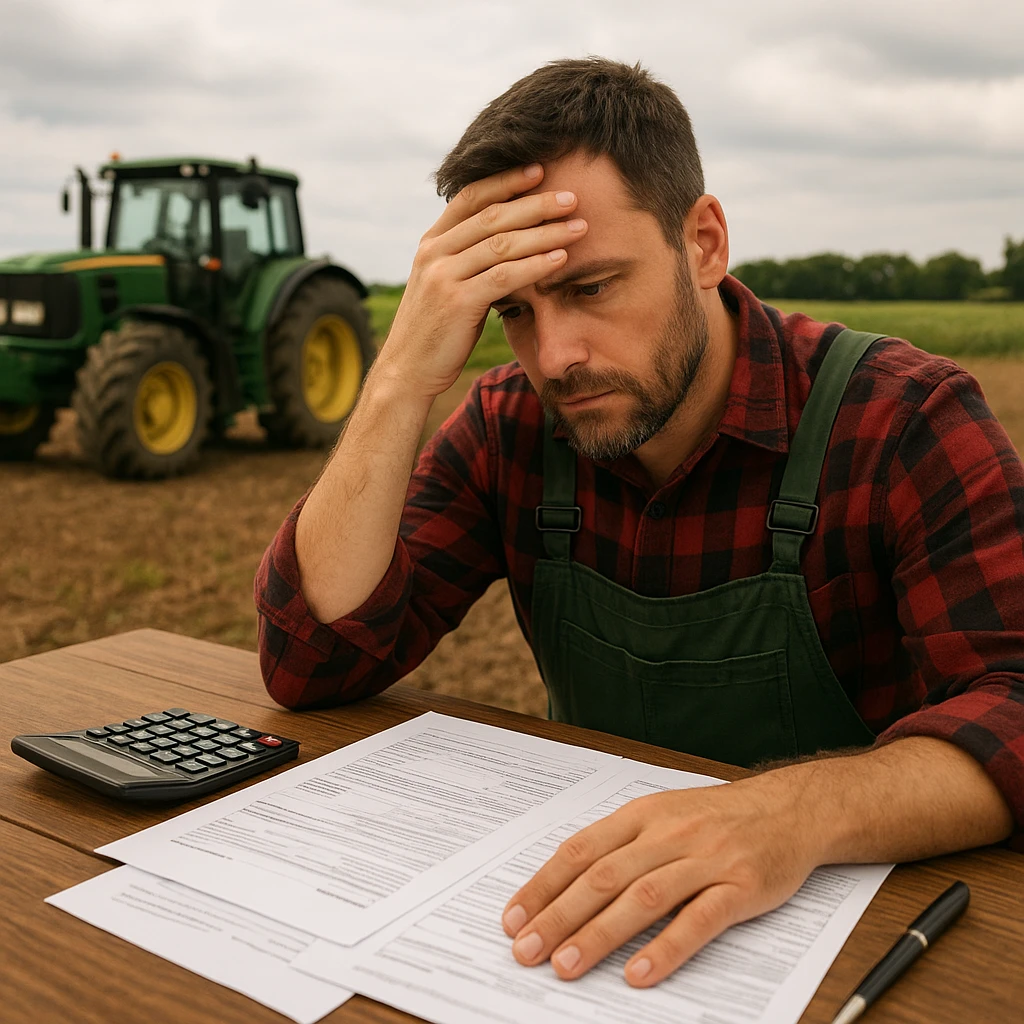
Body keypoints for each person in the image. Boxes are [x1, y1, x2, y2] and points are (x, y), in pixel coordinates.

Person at [255, 58, 1022, 988]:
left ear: (702, 242)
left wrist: (788, 815)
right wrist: (399, 381)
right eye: (513, 312)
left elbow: (1015, 700)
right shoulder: (511, 425)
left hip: (859, 941)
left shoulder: (901, 421)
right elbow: (314, 661)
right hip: (587, 950)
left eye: (590, 287)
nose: (557, 356)